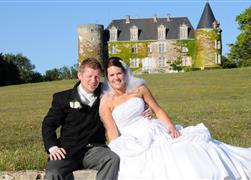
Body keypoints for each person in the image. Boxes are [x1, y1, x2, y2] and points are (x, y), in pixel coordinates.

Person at [99, 56, 251, 180]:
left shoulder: (140, 89)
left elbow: (157, 110)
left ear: (125, 73)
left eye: (119, 73)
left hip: (152, 129)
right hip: (131, 138)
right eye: (111, 75)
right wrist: (117, 147)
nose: (116, 78)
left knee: (186, 150)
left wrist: (170, 127)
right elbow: (112, 132)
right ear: (107, 77)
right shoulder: (107, 102)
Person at [42, 58, 120, 180]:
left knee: (112, 159)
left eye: (97, 77)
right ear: (79, 75)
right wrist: (53, 147)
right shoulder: (62, 98)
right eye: (89, 76)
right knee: (53, 172)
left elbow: (127, 96)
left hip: (94, 149)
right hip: (67, 150)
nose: (93, 81)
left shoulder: (106, 93)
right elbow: (48, 125)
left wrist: (144, 107)